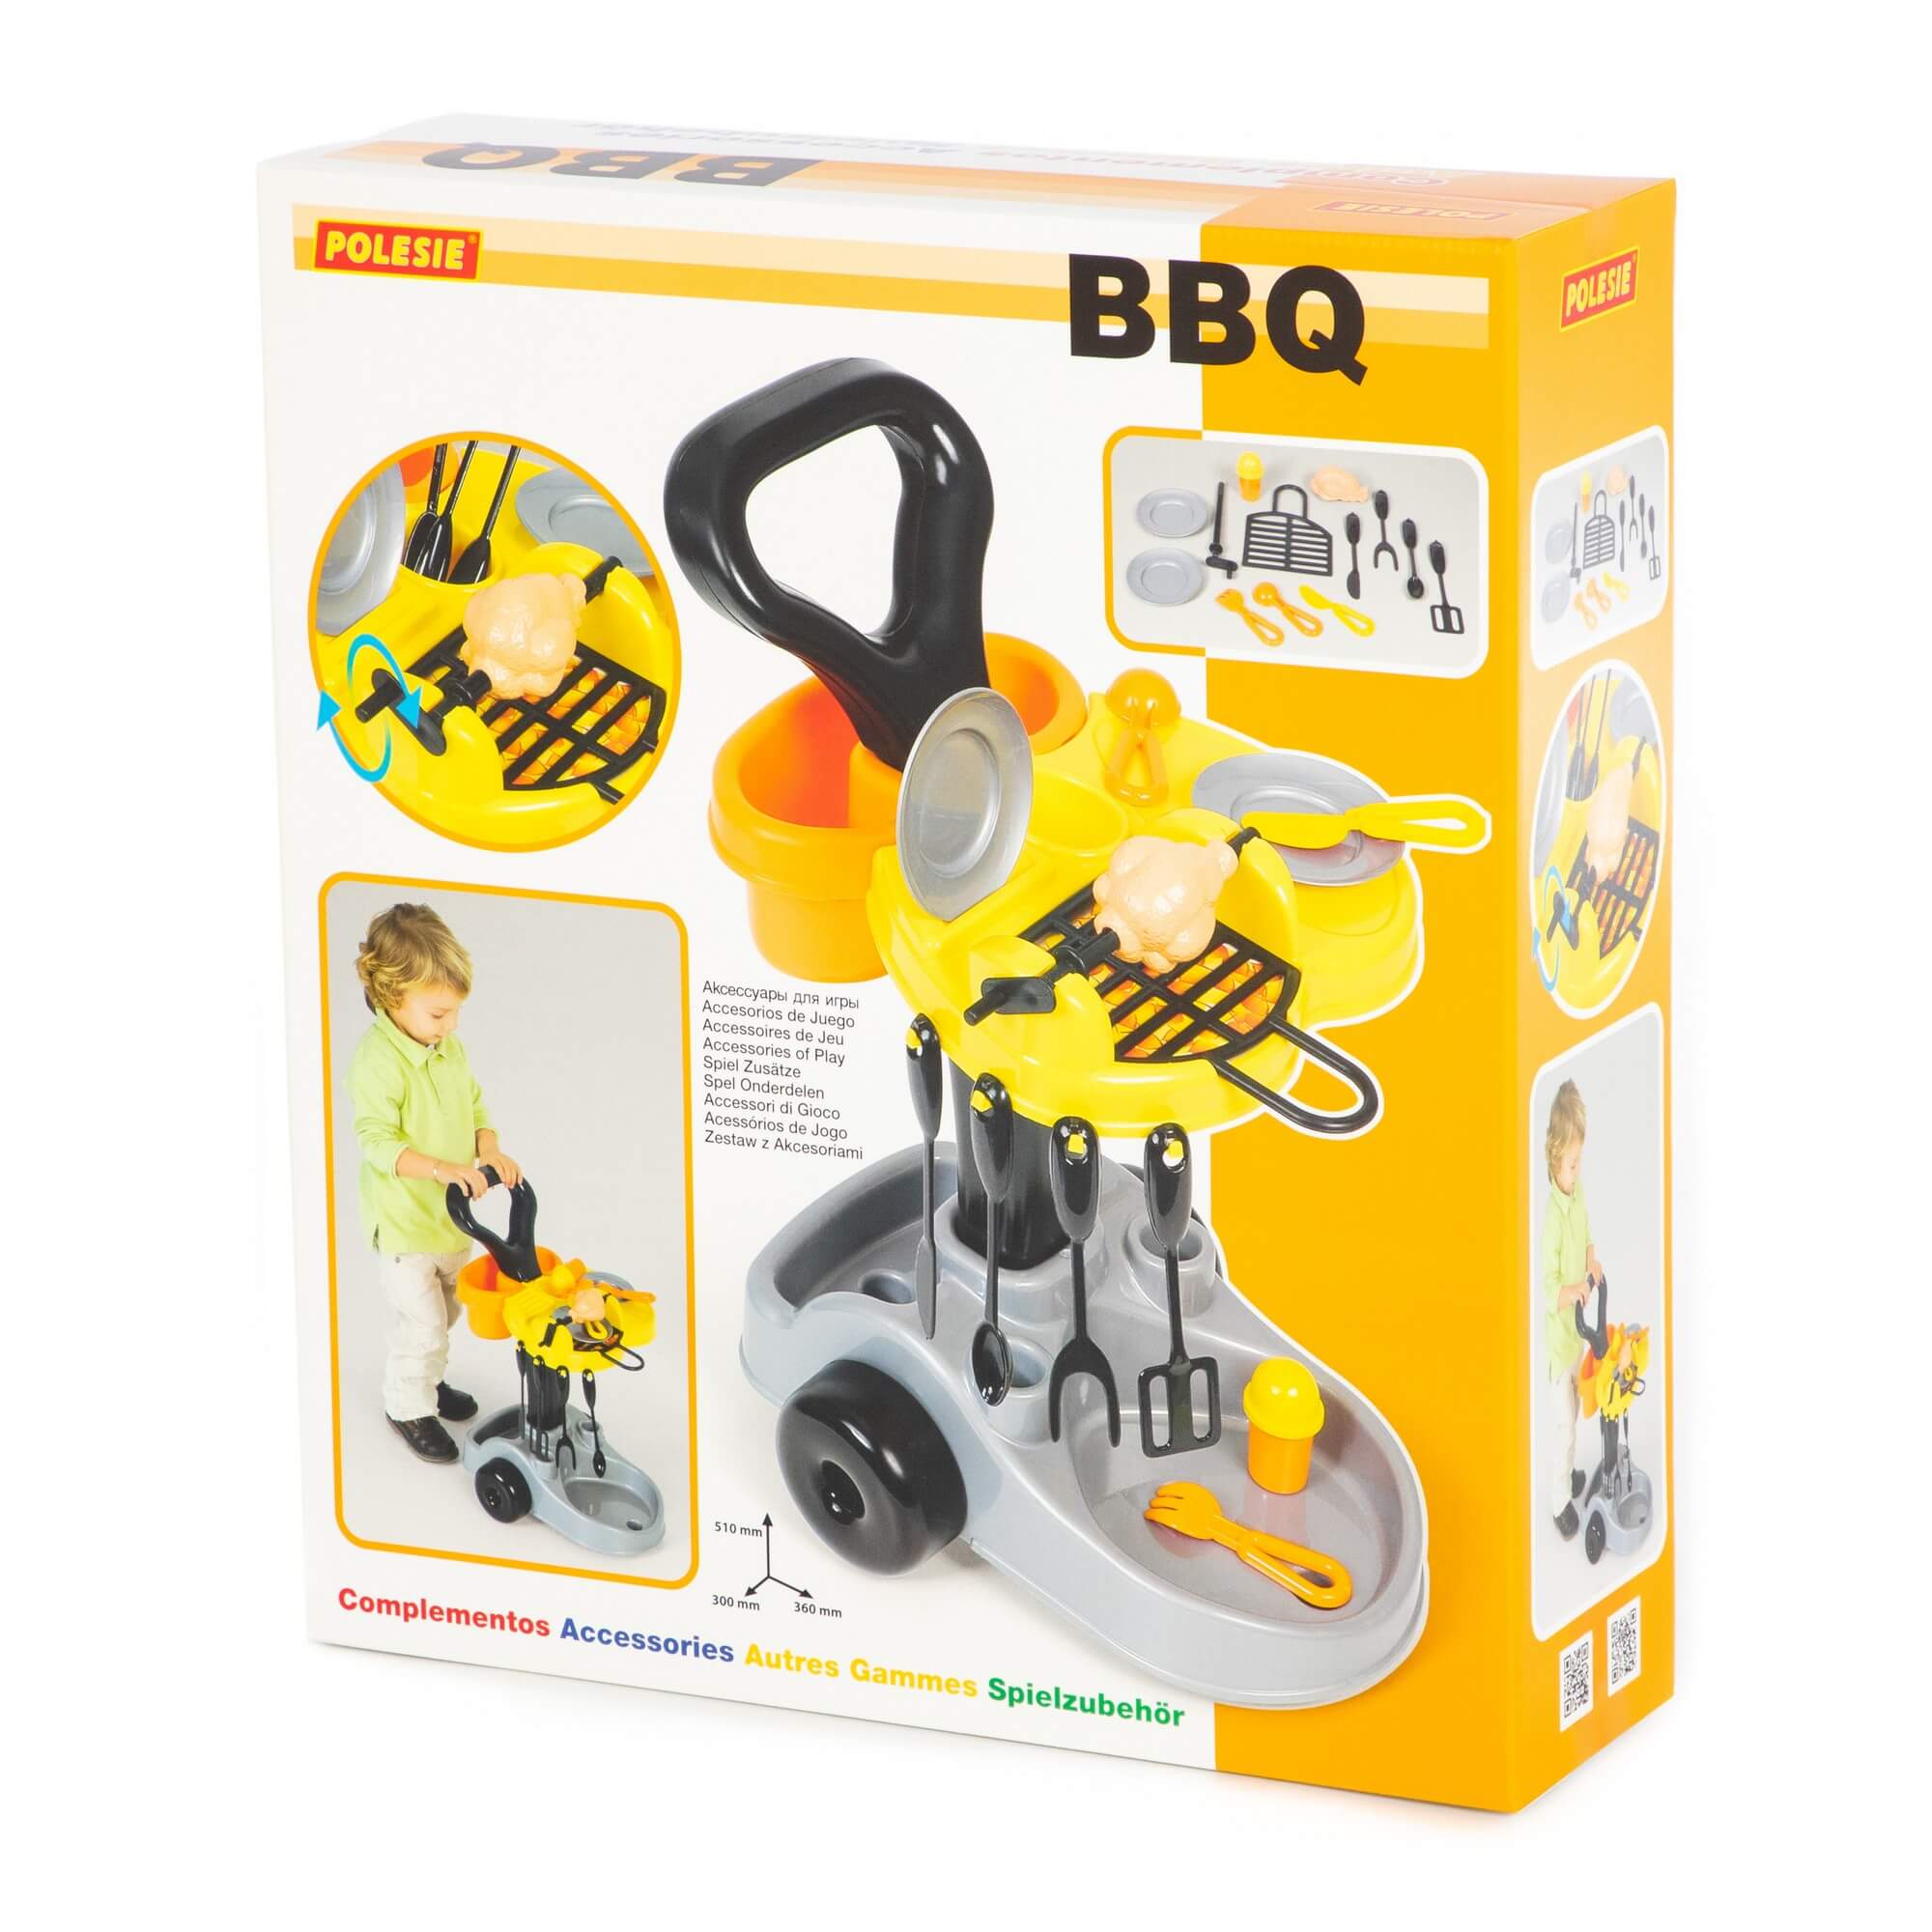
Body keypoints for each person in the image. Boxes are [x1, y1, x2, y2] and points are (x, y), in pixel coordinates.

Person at [349, 903, 522, 1463]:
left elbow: (475, 1106)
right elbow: (376, 1142)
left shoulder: (449, 1049)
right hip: (405, 1226)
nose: (452, 1026)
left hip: (450, 1221)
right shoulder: (377, 1062)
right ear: (392, 996)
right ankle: (407, 1407)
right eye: (439, 1014)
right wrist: (443, 1169)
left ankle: (428, 1380)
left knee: (446, 1317)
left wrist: (488, 1148)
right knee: (423, 1325)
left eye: (456, 1013)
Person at [1541, 1079, 1600, 1540]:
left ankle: (1571, 1475)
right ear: (1555, 1158)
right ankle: (1559, 1500)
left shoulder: (1577, 1197)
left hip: (1577, 1336)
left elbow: (1587, 1234)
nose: (1578, 1171)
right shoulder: (1550, 1221)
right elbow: (1547, 1291)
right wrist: (1575, 1289)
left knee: (1577, 1411)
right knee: (1563, 1426)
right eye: (1573, 1163)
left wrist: (1592, 1260)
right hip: (1559, 1347)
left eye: (1580, 1162)